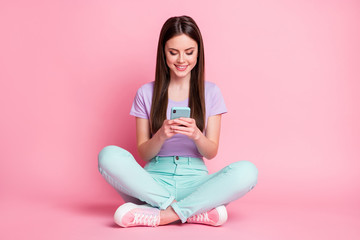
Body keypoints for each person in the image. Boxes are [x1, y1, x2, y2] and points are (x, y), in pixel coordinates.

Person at [98, 15, 258, 228]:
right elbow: (144, 153)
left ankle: (164, 214)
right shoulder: (146, 93)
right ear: (163, 53)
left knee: (247, 171)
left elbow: (211, 152)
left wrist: (196, 135)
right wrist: (161, 135)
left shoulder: (211, 92)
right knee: (108, 155)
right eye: (173, 52)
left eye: (189, 52)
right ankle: (191, 211)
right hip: (153, 184)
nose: (181, 60)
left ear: (198, 53)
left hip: (196, 183)